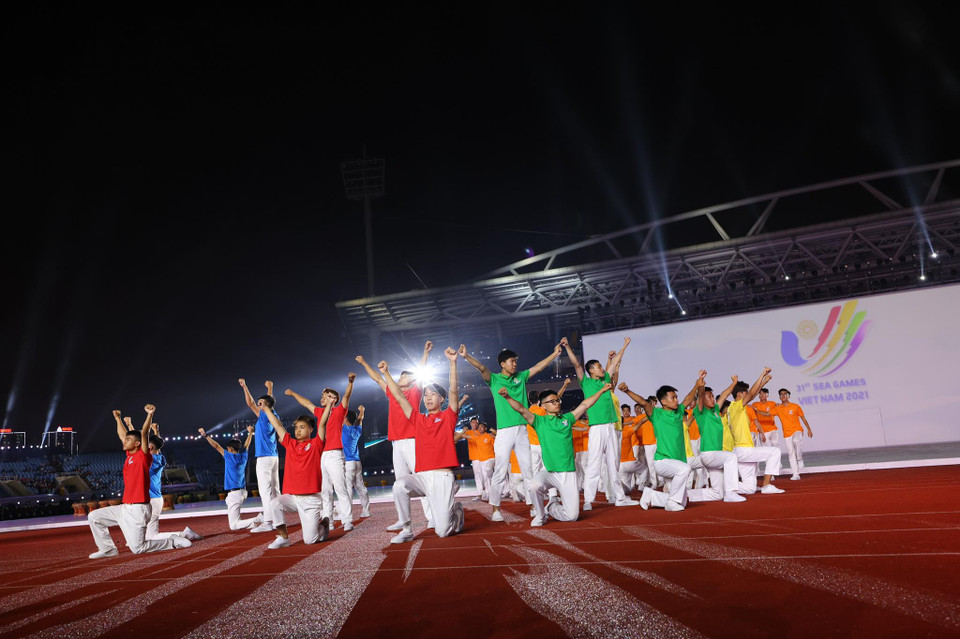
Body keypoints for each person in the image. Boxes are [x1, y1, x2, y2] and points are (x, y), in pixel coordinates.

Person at [459, 342, 562, 522]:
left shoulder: (521, 376)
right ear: (502, 364)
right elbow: (482, 368)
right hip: (505, 431)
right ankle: (495, 510)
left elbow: (539, 366)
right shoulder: (494, 379)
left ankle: (533, 506)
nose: (515, 364)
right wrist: (466, 356)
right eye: (512, 361)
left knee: (527, 470)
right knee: (500, 470)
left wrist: (554, 354)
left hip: (523, 429)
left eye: (516, 361)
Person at [498, 381, 615, 526]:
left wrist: (602, 390)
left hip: (568, 473)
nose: (556, 403)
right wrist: (507, 397)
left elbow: (585, 404)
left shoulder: (567, 419)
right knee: (534, 486)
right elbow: (521, 409)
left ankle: (552, 507)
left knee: (572, 516)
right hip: (549, 471)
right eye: (552, 401)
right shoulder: (539, 421)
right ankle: (540, 515)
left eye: (557, 400)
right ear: (543, 405)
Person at [380, 347, 466, 543]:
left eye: (433, 394)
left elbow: (454, 390)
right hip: (423, 477)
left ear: (441, 399)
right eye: (426, 394)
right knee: (399, 485)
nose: (427, 397)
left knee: (442, 532)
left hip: (443, 476)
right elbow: (399, 396)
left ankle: (457, 512)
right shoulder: (418, 419)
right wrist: (386, 373)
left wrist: (453, 363)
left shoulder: (448, 416)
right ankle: (407, 529)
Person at [88, 405, 192, 558]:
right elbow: (122, 435)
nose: (124, 441)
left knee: (138, 548)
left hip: (138, 510)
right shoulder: (129, 456)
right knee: (94, 517)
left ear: (137, 444)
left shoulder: (144, 457)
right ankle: (108, 549)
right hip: (124, 508)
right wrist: (117, 419)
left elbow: (144, 433)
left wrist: (150, 415)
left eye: (128, 440)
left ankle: (173, 541)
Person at [355, 341, 433, 531]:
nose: (402, 377)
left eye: (405, 376)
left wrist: (425, 353)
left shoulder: (415, 391)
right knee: (400, 483)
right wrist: (364, 363)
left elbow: (421, 370)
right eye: (401, 375)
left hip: (413, 440)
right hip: (397, 443)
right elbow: (377, 378)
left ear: (412, 381)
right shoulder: (391, 392)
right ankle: (403, 520)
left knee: (421, 479)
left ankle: (432, 517)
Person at [563, 336, 639, 509]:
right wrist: (567, 347)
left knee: (613, 464)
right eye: (598, 367)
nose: (602, 368)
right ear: (591, 371)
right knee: (594, 464)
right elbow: (576, 364)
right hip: (597, 428)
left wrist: (625, 345)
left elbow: (615, 362)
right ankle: (588, 500)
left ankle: (619, 498)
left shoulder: (605, 380)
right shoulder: (586, 383)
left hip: (611, 427)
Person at [619, 374, 702, 512]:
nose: (676, 400)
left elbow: (688, 398)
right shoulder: (656, 414)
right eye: (673, 398)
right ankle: (671, 503)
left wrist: (697, 385)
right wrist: (627, 391)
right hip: (662, 461)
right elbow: (643, 402)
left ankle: (651, 496)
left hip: (677, 462)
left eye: (676, 397)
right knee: (685, 469)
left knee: (683, 502)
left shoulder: (678, 412)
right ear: (663, 401)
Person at [286, 374, 356, 531]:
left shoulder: (339, 411)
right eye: (323, 395)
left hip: (335, 454)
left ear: (334, 399)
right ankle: (328, 521)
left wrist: (350, 382)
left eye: (327, 396)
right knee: (325, 490)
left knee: (340, 488)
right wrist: (293, 393)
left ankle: (347, 520)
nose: (323, 397)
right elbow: (306, 403)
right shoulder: (319, 412)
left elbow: (346, 396)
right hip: (322, 455)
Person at [261, 404, 334, 548]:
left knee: (310, 540)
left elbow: (322, 424)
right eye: (296, 428)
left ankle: (324, 524)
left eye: (302, 427)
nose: (298, 430)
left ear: (310, 429)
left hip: (311, 500)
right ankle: (283, 538)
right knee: (275, 503)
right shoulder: (290, 444)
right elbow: (278, 426)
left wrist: (329, 406)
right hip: (293, 498)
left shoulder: (316, 444)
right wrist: (266, 409)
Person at [686, 376, 747, 503]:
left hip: (715, 456)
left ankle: (682, 495)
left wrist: (734, 383)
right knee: (731, 457)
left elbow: (724, 395)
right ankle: (731, 493)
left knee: (717, 493)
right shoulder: (699, 412)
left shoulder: (715, 410)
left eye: (713, 396)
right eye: (709, 397)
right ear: (702, 400)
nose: (713, 399)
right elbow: (701, 394)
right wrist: (701, 383)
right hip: (709, 454)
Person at [142, 420, 201, 541]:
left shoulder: (151, 461)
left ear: (150, 447)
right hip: (153, 499)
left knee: (151, 536)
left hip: (151, 500)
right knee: (146, 534)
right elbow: (157, 446)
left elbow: (153, 447)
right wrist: (156, 431)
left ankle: (183, 534)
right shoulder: (160, 458)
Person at [728, 369, 784, 495]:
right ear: (739, 394)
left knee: (750, 488)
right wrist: (762, 374)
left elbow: (752, 394)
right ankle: (766, 485)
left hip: (740, 451)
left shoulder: (734, 407)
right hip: (744, 450)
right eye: (745, 393)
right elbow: (752, 393)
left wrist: (764, 382)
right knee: (775, 451)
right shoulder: (736, 406)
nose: (748, 395)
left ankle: (724, 486)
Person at [198, 425, 264, 530]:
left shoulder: (229, 457)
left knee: (234, 526)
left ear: (231, 449)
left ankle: (258, 519)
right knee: (236, 522)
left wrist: (205, 435)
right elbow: (247, 444)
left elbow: (216, 446)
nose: (227, 449)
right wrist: (250, 433)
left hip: (235, 494)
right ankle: (254, 524)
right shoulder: (243, 456)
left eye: (228, 448)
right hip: (242, 491)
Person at [239, 378, 281, 534]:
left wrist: (245, 386)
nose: (258, 404)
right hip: (274, 457)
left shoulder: (264, 415)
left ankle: (268, 522)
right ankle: (279, 520)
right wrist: (270, 388)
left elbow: (250, 403)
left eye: (260, 403)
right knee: (275, 490)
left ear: (265, 405)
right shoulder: (273, 415)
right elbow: (269, 401)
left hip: (264, 458)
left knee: (265, 491)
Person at [764, 389, 814, 480]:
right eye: (781, 394)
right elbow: (767, 414)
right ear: (779, 397)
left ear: (789, 396)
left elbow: (803, 418)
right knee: (791, 452)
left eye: (785, 394)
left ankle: (799, 458)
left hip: (797, 430)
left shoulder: (795, 406)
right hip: (787, 433)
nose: (783, 396)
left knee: (796, 440)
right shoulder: (778, 408)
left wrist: (809, 429)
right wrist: (756, 410)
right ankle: (795, 474)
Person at [342, 405, 371, 518]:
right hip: (357, 462)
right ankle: (366, 511)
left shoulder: (343, 429)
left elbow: (359, 419)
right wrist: (362, 411)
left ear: (345, 418)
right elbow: (360, 419)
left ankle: (347, 514)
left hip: (348, 463)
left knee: (347, 488)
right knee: (360, 487)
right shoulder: (357, 430)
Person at [571, 414, 589, 491]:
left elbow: (584, 429)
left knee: (582, 467)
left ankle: (584, 484)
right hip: (574, 449)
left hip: (582, 449)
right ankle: (579, 485)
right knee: (577, 469)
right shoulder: (568, 423)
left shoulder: (581, 423)